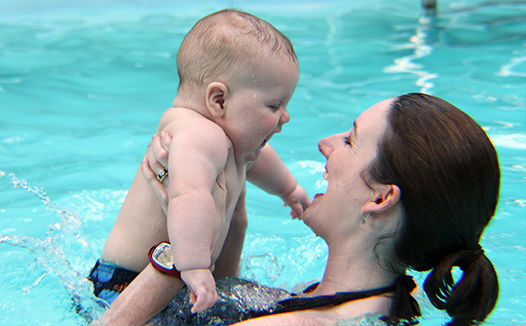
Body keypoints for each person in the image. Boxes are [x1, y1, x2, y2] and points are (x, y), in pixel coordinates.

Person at [97, 93, 499, 326]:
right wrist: (222, 215)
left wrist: (174, 255)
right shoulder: (366, 304)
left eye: (350, 141)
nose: (325, 143)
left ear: (380, 199)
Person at [88, 8, 311, 321]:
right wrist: (194, 266)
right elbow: (189, 195)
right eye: (274, 105)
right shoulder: (198, 133)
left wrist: (289, 189)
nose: (285, 116)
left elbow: (257, 159)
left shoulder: (226, 138)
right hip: (128, 284)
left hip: (170, 278)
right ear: (218, 100)